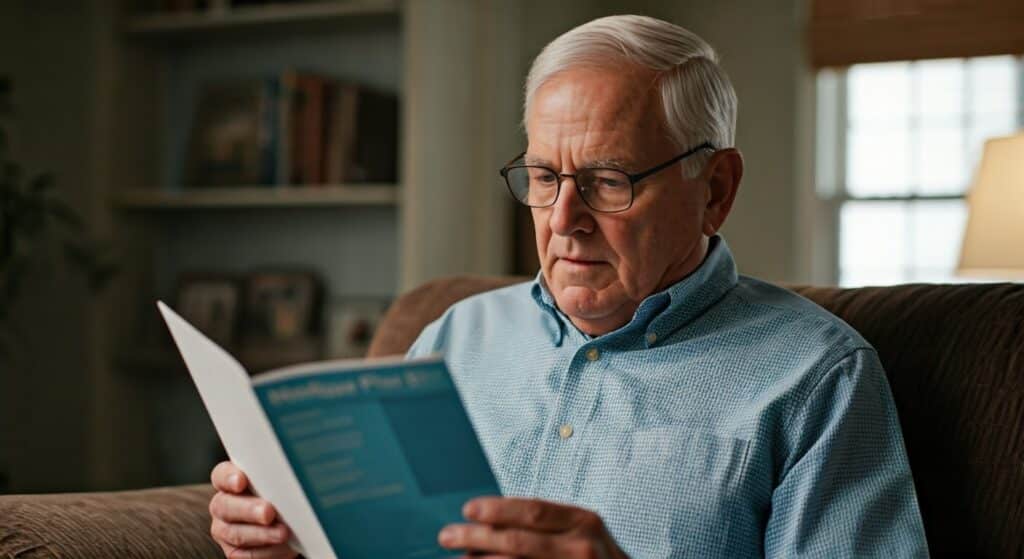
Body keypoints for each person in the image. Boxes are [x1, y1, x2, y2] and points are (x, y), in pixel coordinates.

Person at [207, 15, 928, 558]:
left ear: (714, 189)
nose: (564, 220)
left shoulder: (816, 375)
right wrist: (287, 536)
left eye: (609, 182)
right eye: (545, 178)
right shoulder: (451, 337)